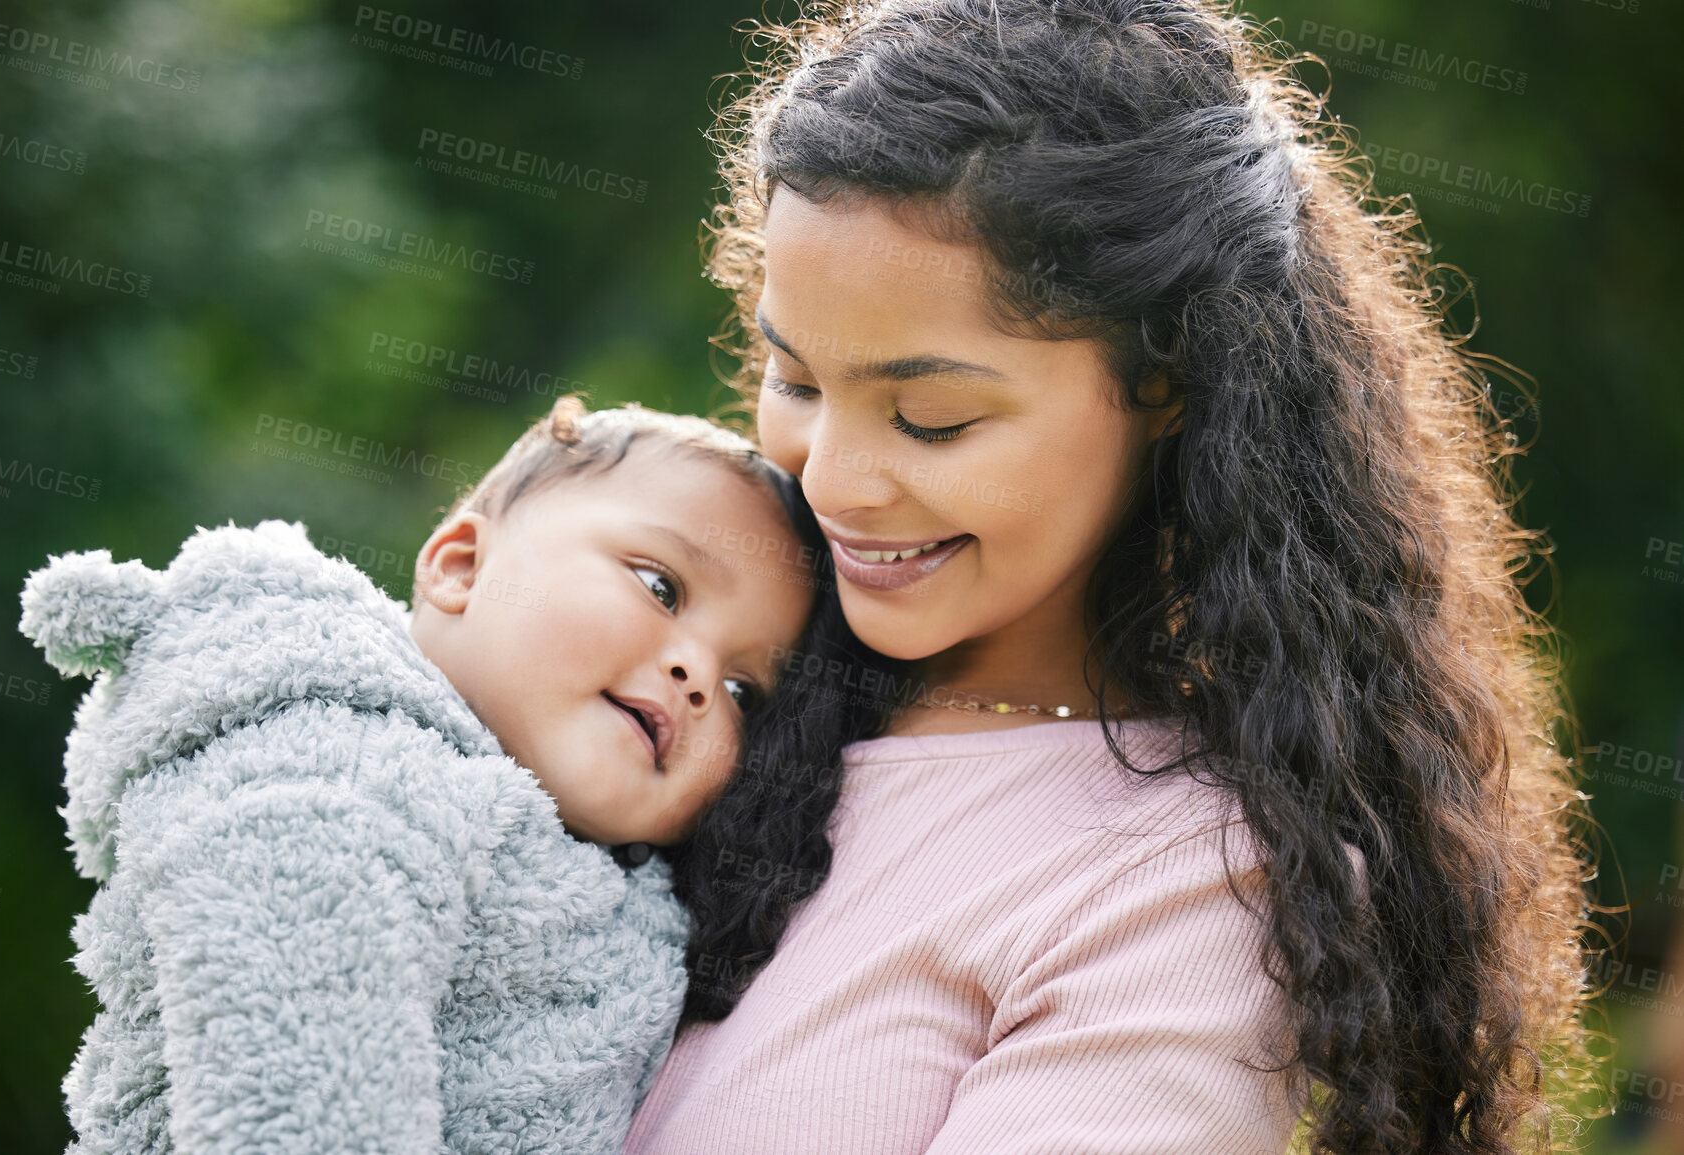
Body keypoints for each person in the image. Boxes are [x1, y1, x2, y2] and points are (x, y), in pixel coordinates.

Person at [626, 3, 1596, 1153]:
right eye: (794, 380)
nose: (832, 481)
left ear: (1169, 383)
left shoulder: (1190, 889)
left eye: (930, 417)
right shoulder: (688, 678)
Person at [19, 397, 815, 1154]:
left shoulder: (627, 897)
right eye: (659, 585)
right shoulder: (336, 763)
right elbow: (299, 1074)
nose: (699, 675)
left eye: (746, 691)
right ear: (463, 566)